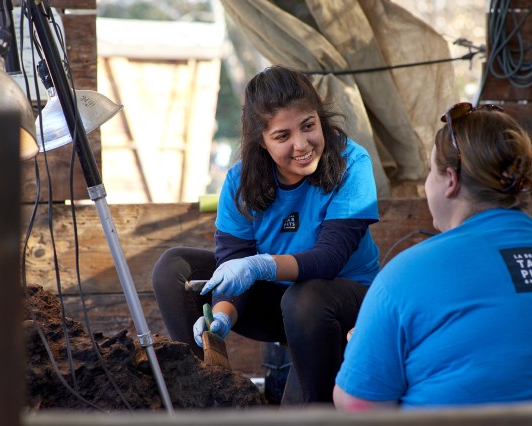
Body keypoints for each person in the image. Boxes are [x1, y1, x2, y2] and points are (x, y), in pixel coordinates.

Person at [334, 102, 532, 410]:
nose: (426, 185)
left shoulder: (404, 275)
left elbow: (359, 406)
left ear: (450, 181)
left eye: (430, 172)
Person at [152, 65, 381, 404]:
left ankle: (320, 408)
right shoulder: (240, 181)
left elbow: (329, 258)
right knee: (174, 268)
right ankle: (208, 397)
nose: (301, 144)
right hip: (280, 305)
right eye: (282, 136)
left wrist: (259, 266)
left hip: (339, 306)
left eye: (308, 126)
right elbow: (235, 263)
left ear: (320, 118)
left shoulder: (351, 162)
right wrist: (222, 316)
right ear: (261, 141)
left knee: (304, 299)